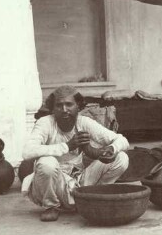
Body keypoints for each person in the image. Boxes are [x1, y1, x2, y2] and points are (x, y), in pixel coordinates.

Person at [21, 85, 129, 221]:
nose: (64, 110)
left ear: (78, 107)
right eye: (59, 106)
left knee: (121, 158)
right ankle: (51, 206)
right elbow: (27, 152)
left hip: (79, 182)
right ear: (53, 109)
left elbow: (122, 139)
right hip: (53, 185)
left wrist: (111, 149)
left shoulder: (84, 122)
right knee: (46, 162)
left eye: (69, 105)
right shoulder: (45, 123)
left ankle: (94, 197)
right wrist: (67, 146)